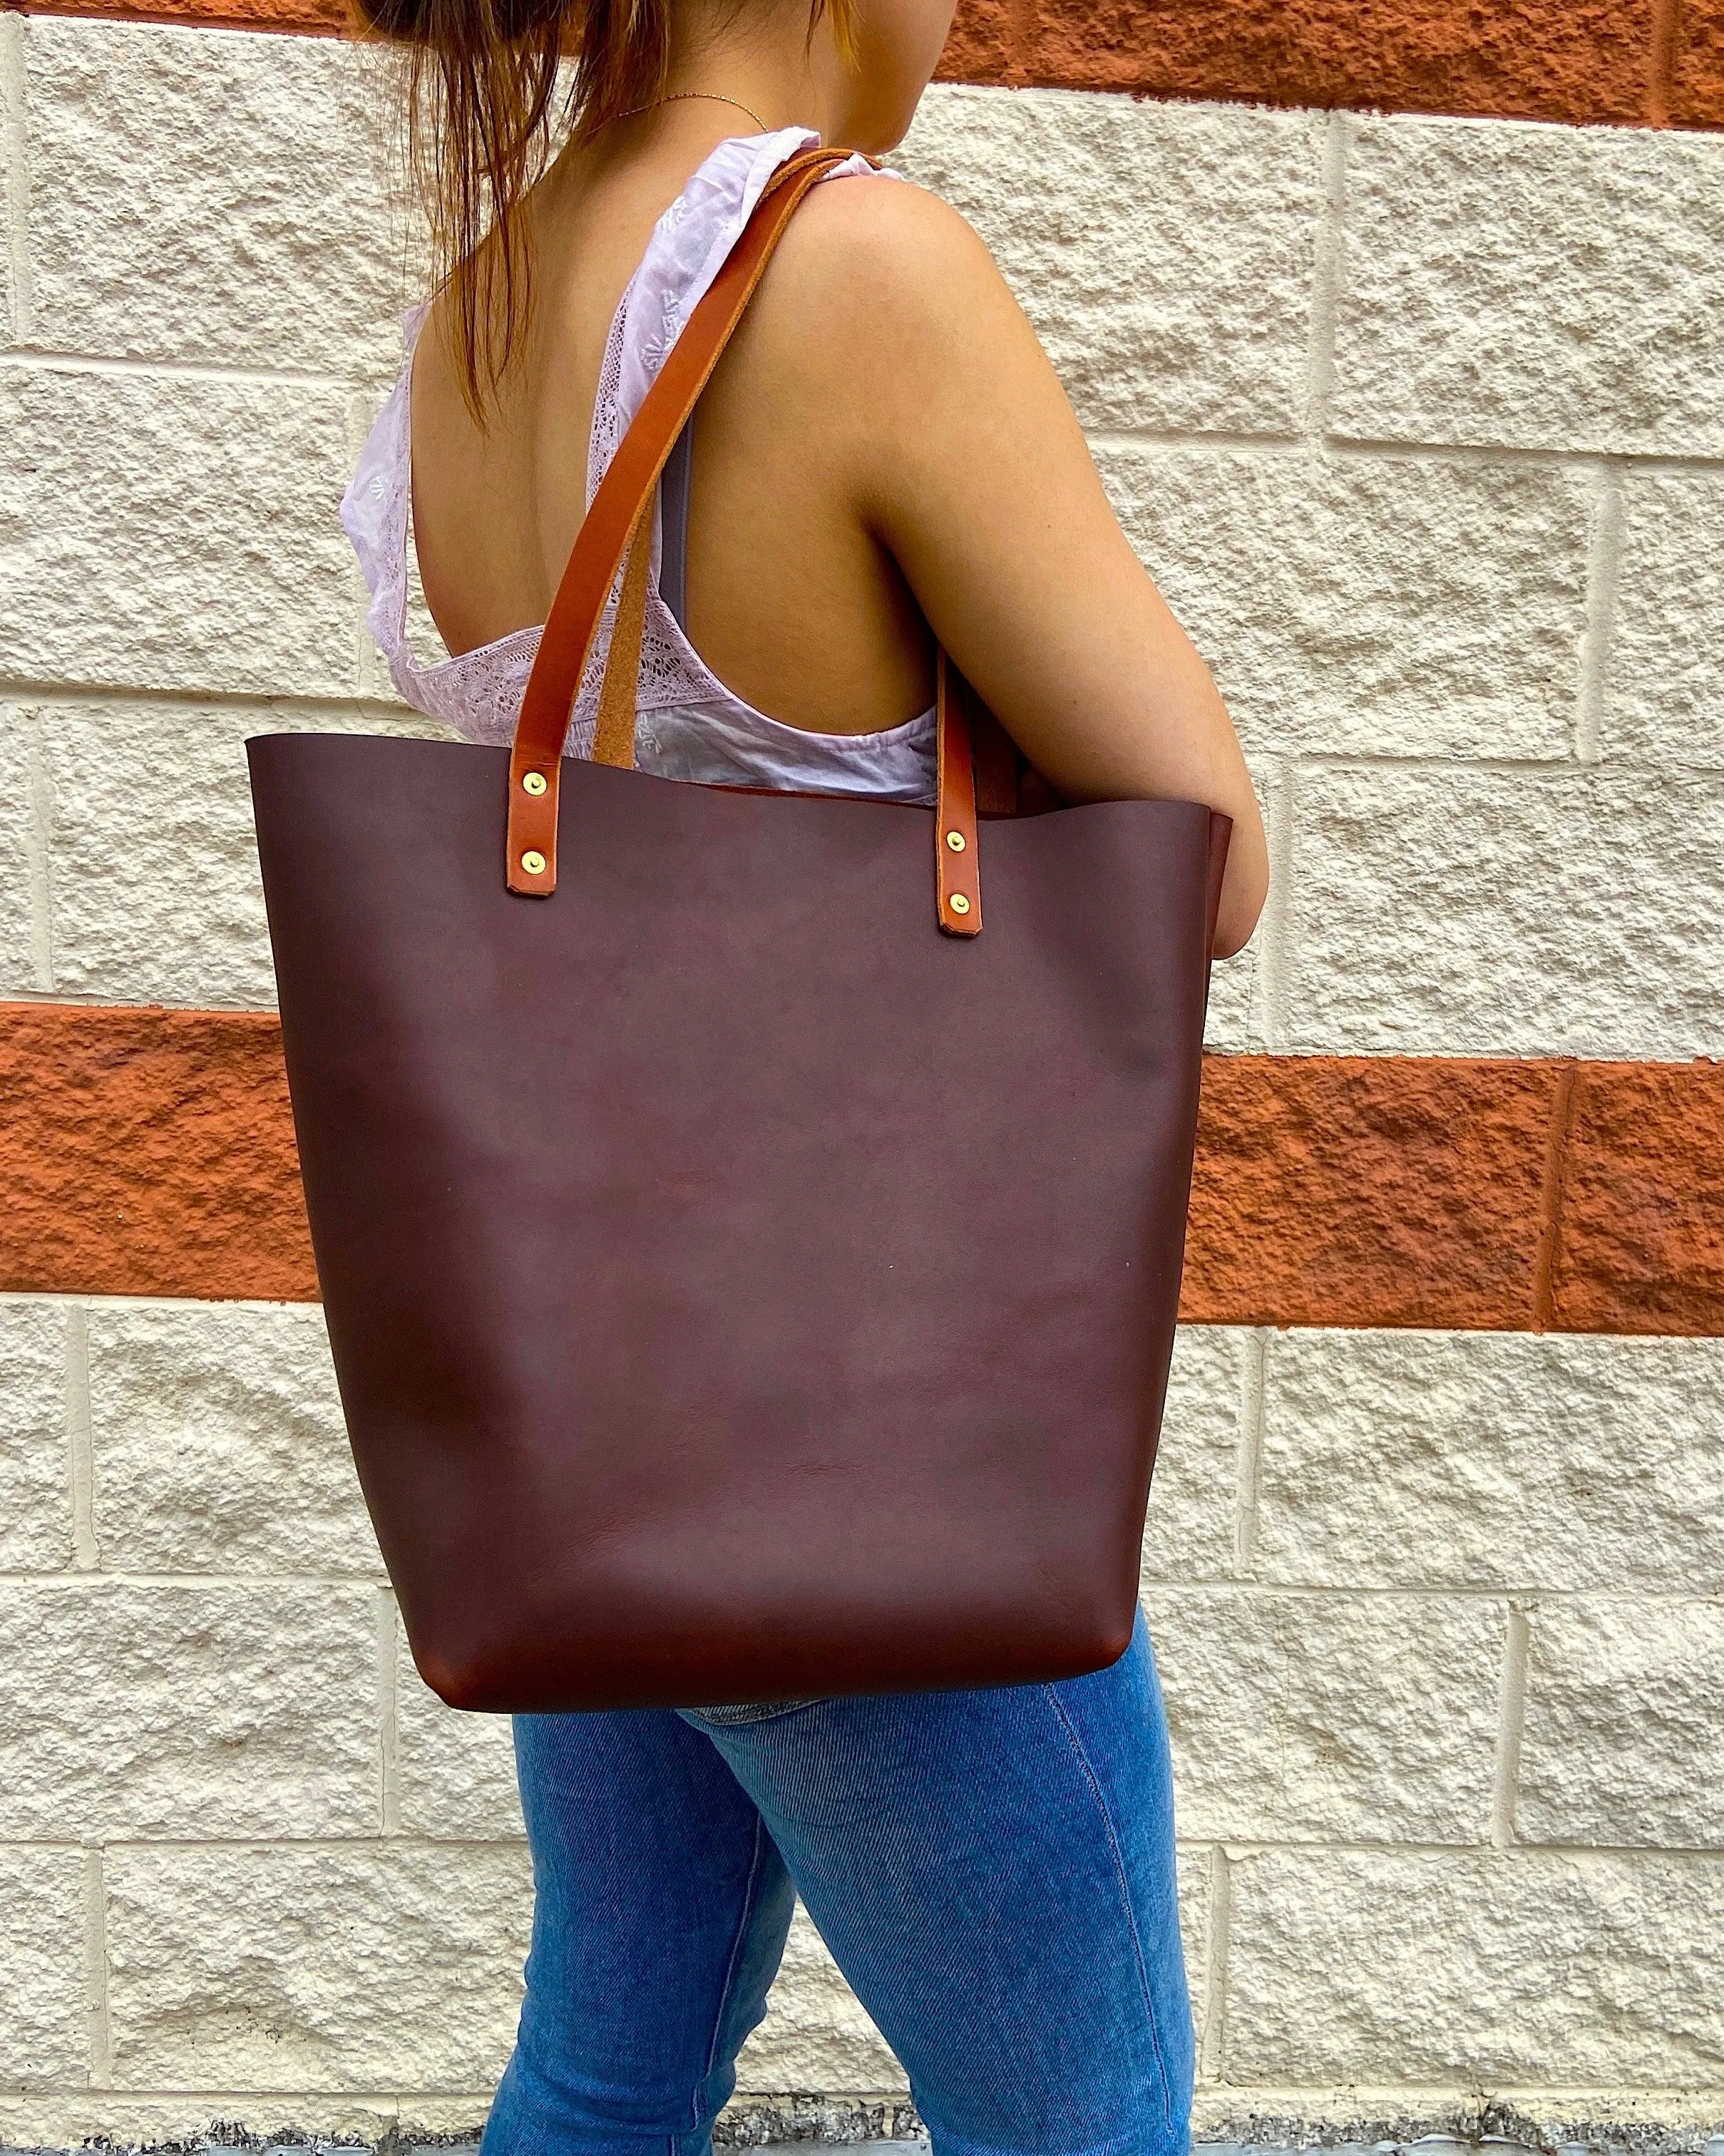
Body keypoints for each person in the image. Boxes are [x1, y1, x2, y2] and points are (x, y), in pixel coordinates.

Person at [342, 0, 1268, 2149]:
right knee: (1088, 2120)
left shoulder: (469, 314)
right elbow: (1201, 857)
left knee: (613, 2059)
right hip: (879, 1430)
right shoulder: (852, 269)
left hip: (596, 1417)